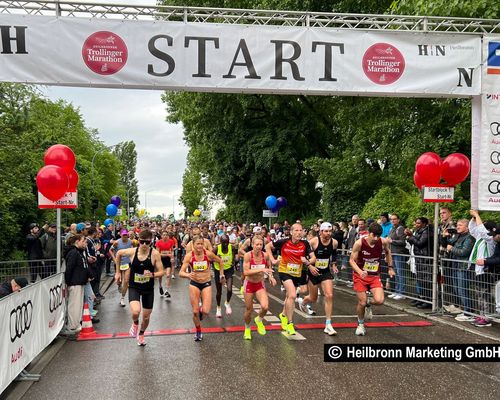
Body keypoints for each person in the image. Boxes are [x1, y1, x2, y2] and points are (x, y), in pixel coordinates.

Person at [115, 229, 164, 346]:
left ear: (151, 242)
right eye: (142, 242)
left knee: (146, 317)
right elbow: (118, 254)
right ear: (138, 241)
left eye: (148, 243)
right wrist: (117, 272)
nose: (145, 245)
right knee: (136, 311)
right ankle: (135, 323)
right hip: (134, 287)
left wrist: (152, 274)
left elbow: (161, 272)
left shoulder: (155, 254)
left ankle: (141, 334)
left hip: (148, 289)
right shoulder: (133, 252)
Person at [266, 223, 316, 336]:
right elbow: (268, 246)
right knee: (293, 295)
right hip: (284, 271)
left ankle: (283, 315)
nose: (299, 232)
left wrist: (307, 261)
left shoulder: (305, 243)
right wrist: (273, 260)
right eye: (296, 230)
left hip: (297, 273)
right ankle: (290, 323)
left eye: (301, 230)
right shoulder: (283, 241)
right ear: (292, 232)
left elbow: (313, 258)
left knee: (289, 296)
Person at [349, 222, 395, 336]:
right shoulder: (359, 243)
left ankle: (369, 303)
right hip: (360, 276)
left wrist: (390, 267)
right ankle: (360, 325)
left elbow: (388, 252)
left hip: (374, 276)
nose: (376, 238)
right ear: (369, 233)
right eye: (374, 235)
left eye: (378, 236)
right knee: (362, 302)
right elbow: (351, 260)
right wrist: (360, 271)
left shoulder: (382, 241)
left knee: (379, 300)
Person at [180, 235, 224, 341]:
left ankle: (199, 316)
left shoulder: (208, 254)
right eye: (198, 244)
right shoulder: (189, 256)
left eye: (201, 244)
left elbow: (220, 261)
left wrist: (221, 274)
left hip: (206, 283)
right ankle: (198, 330)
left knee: (206, 311)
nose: (200, 246)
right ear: (193, 245)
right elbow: (181, 272)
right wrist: (187, 275)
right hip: (194, 283)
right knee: (195, 311)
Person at [298, 222, 339, 336]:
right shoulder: (314, 242)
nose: (328, 233)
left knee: (329, 295)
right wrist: (310, 266)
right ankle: (303, 303)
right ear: (320, 232)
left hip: (325, 271)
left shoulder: (334, 242)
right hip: (313, 272)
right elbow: (304, 255)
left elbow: (334, 253)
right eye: (326, 231)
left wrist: (334, 264)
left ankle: (328, 324)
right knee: (313, 297)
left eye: (330, 231)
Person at [242, 235, 276, 340]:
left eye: (261, 244)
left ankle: (259, 320)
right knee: (249, 309)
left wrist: (271, 277)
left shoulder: (265, 256)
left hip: (259, 284)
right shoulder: (248, 256)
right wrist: (261, 270)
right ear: (252, 245)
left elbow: (269, 267)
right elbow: (246, 272)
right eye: (257, 244)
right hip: (249, 284)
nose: (259, 246)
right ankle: (247, 328)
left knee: (265, 306)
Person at [62, 234, 93, 337]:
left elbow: (83, 266)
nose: (85, 243)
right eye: (83, 241)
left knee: (78, 304)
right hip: (75, 283)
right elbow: (69, 268)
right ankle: (72, 325)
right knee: (74, 305)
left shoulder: (79, 252)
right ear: (77, 241)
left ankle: (76, 324)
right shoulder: (73, 253)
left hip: (79, 281)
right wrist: (68, 282)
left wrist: (89, 275)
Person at [405, 217, 433, 309]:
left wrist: (411, 236)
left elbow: (420, 243)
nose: (416, 225)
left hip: (425, 259)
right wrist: (410, 236)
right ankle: (422, 298)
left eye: (418, 223)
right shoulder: (418, 231)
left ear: (424, 224)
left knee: (427, 281)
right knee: (420, 280)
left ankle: (428, 300)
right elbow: (413, 241)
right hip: (419, 258)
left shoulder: (427, 232)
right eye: (416, 223)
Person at [213, 234, 238, 317]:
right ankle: (218, 308)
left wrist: (234, 261)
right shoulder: (216, 249)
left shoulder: (232, 247)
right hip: (218, 271)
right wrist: (216, 260)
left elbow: (235, 254)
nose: (225, 245)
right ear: (220, 242)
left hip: (228, 270)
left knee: (230, 289)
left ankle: (227, 303)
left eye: (227, 243)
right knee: (219, 292)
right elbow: (210, 258)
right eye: (223, 243)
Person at [386, 214, 408, 300]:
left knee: (400, 273)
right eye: (391, 219)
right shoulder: (392, 228)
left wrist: (392, 241)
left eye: (394, 219)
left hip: (399, 253)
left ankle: (402, 292)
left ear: (398, 220)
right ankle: (396, 290)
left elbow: (403, 242)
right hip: (392, 253)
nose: (393, 221)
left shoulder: (400, 228)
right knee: (395, 272)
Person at [112, 229, 134, 307]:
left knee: (126, 280)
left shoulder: (130, 242)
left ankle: (122, 298)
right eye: (123, 235)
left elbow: (132, 250)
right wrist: (114, 259)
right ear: (120, 235)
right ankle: (119, 285)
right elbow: (110, 250)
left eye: (126, 235)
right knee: (119, 281)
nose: (125, 236)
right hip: (119, 263)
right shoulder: (117, 242)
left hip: (127, 263)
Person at [155, 230, 175, 299]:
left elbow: (172, 250)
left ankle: (166, 291)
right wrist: (166, 254)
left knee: (168, 275)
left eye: (166, 235)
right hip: (160, 259)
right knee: (160, 274)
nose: (165, 236)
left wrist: (172, 257)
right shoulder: (158, 242)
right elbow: (157, 253)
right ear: (161, 236)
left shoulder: (171, 241)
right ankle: (160, 286)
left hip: (167, 259)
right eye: (163, 235)